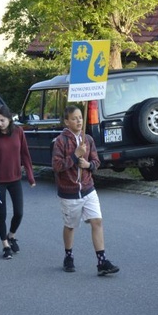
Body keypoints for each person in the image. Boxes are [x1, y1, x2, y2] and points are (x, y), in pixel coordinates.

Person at [52, 105, 119, 276]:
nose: (78, 121)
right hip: (69, 192)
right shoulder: (60, 141)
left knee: (97, 221)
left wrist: (88, 165)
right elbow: (57, 166)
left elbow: (96, 162)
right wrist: (75, 156)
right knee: (71, 226)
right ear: (67, 121)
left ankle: (102, 261)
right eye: (74, 118)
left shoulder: (87, 139)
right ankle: (68, 255)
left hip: (88, 189)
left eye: (80, 117)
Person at [0, 105, 35, 259]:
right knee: (2, 213)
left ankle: (11, 235)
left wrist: (31, 176)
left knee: (19, 212)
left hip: (15, 179)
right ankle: (5, 244)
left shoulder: (18, 132)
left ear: (9, 118)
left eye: (2, 120)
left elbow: (25, 154)